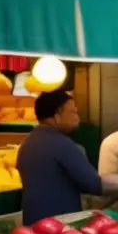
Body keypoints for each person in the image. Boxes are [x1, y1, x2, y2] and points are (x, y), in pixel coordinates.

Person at [18, 91, 103, 224]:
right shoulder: (62, 144)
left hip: (32, 221)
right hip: (59, 224)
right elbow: (93, 184)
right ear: (57, 115)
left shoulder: (27, 143)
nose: (77, 117)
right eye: (73, 112)